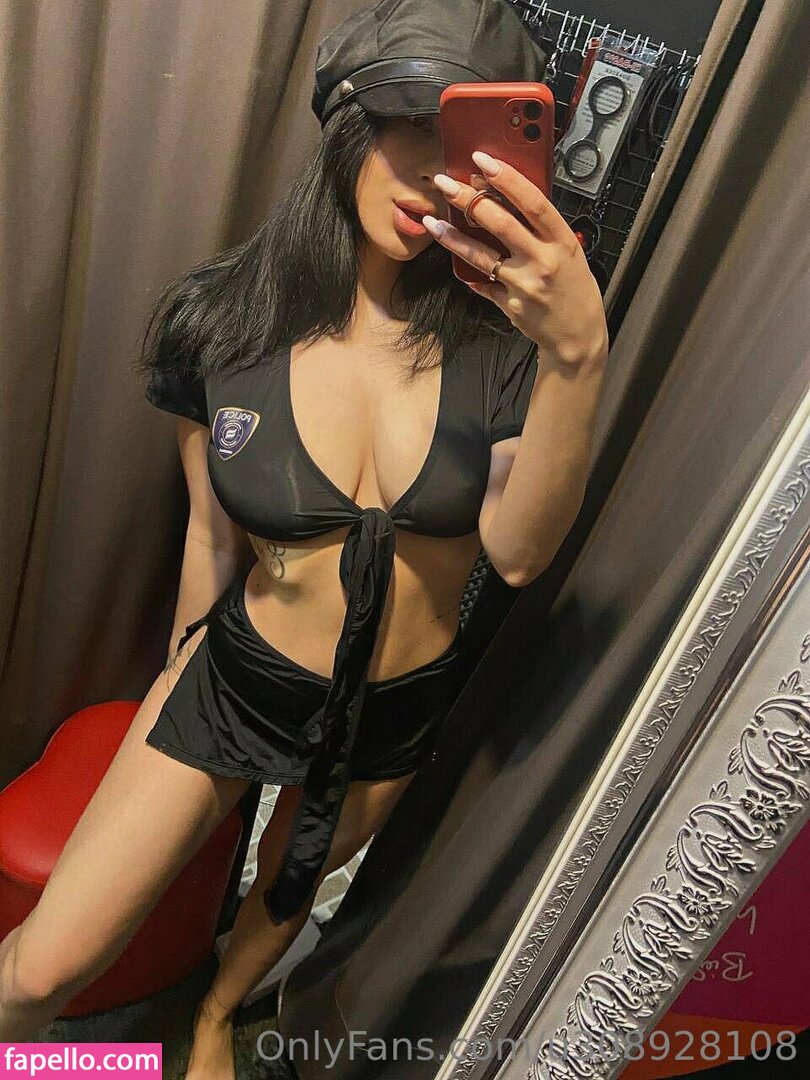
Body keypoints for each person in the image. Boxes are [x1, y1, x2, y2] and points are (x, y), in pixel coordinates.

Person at [0, 0, 608, 1074]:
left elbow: (516, 554)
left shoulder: (506, 348)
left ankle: (214, 1015)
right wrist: (177, 685)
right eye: (410, 128)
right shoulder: (222, 322)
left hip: (395, 707)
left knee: (282, 897)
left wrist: (577, 357)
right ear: (348, 124)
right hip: (239, 681)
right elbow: (210, 537)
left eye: (466, 147)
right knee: (47, 966)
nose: (437, 176)